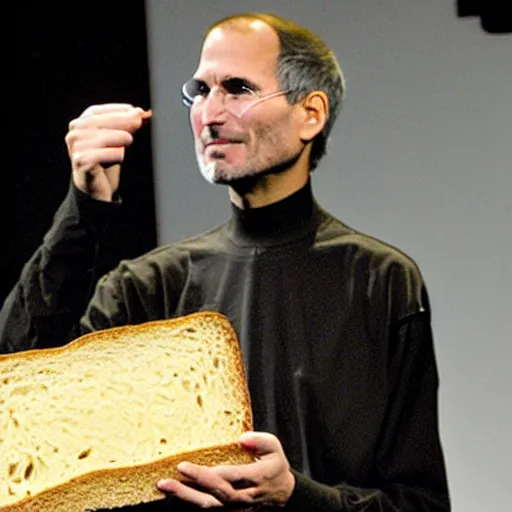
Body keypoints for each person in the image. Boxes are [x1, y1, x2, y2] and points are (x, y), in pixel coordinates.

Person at [0, 12, 450, 511]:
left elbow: (420, 503)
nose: (210, 113)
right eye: (200, 90)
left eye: (236, 89)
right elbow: (17, 383)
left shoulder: (379, 280)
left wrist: (296, 496)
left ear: (311, 114)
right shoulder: (149, 285)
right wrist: (83, 212)